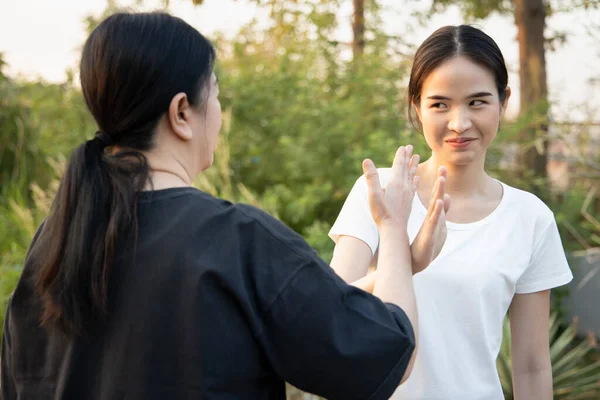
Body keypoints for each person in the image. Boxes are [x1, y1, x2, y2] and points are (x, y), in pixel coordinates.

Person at [0, 11, 449, 400]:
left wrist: (395, 268)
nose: (218, 111)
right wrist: (391, 227)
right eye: (214, 93)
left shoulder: (57, 241)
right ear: (181, 113)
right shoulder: (237, 240)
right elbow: (388, 351)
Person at [329, 25, 574, 400]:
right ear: (417, 106)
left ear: (503, 101)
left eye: (477, 102)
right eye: (440, 104)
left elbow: (531, 365)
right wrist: (406, 260)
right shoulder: (379, 193)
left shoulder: (530, 218)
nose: (459, 123)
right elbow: (330, 314)